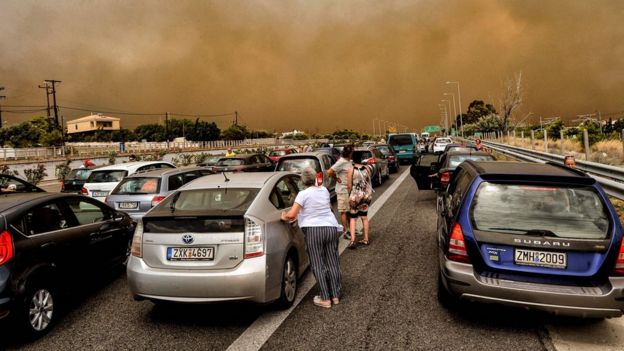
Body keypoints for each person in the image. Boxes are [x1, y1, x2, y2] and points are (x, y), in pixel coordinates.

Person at [281, 167, 342, 308]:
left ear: (303, 181)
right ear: (315, 178)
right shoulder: (324, 190)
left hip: (314, 230)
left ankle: (325, 298)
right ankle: (335, 295)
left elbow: (291, 214)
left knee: (318, 263)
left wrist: (284, 216)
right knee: (333, 261)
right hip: (331, 227)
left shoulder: (303, 194)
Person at [346, 157, 374, 249]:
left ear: (353, 160)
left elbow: (349, 185)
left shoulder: (351, 170)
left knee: (353, 218)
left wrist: (350, 194)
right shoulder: (367, 168)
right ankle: (366, 239)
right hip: (365, 196)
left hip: (355, 197)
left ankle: (353, 240)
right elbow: (369, 181)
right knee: (364, 217)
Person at [328, 145, 353, 238]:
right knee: (344, 211)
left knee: (350, 211)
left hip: (349, 189)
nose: (352, 154)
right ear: (348, 153)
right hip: (342, 190)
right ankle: (346, 231)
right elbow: (330, 171)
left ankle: (351, 229)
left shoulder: (349, 161)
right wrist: (336, 178)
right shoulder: (341, 162)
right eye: (352, 153)